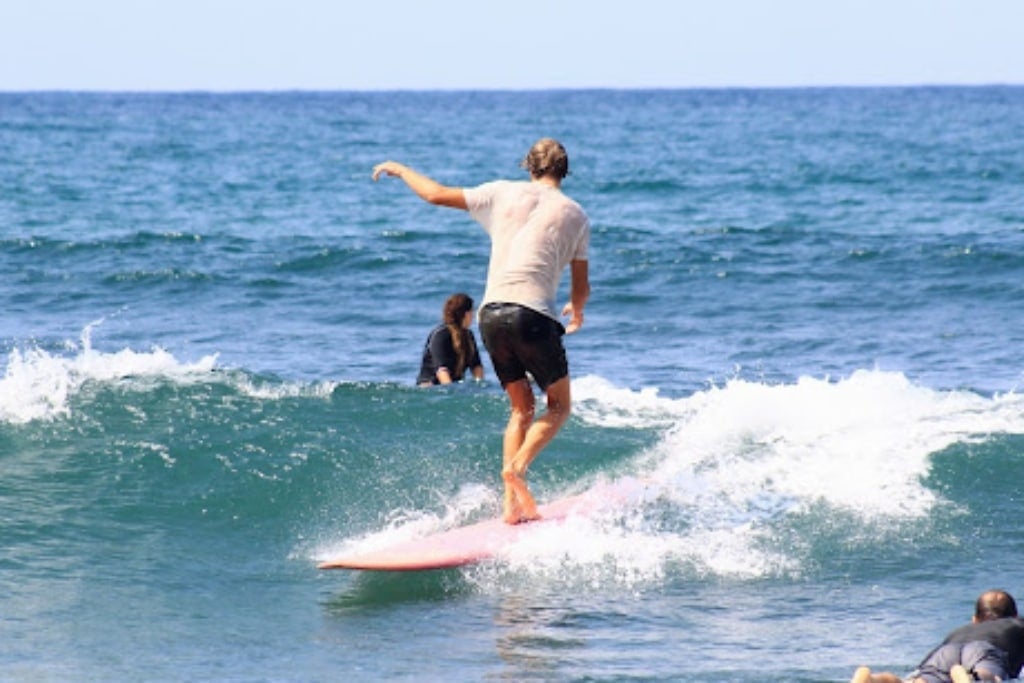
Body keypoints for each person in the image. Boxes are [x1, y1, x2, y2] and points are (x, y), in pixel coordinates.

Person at [373, 138, 591, 524]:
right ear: (564, 170)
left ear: (529, 166)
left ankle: (510, 506)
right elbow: (581, 285)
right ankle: (518, 468)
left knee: (520, 408)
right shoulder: (576, 215)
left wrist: (401, 168)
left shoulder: (501, 192)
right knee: (558, 406)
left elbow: (436, 195)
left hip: (491, 314)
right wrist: (576, 309)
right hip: (534, 316)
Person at [851, 589, 1024, 683]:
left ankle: (874, 679)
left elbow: (924, 664)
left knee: (920, 681)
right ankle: (969, 679)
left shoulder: (959, 631)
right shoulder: (1017, 624)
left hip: (945, 651)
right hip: (985, 651)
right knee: (990, 677)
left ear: (975, 619)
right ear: (1014, 616)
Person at [417, 292, 484, 386]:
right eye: (472, 311)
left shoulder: (468, 336)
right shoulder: (441, 335)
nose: (473, 316)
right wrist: (451, 393)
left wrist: (479, 385)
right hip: (430, 388)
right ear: (466, 314)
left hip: (454, 386)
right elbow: (441, 370)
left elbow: (476, 366)